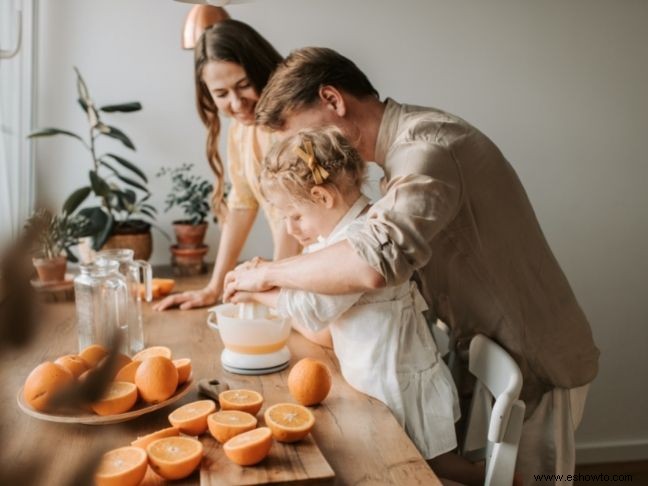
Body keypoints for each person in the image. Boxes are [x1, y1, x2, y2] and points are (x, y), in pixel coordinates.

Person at [224, 47, 599, 483]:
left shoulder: (427, 151)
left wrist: (267, 273)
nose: (306, 152)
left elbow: (372, 262)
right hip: (490, 347)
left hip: (538, 356)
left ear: (332, 100)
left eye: (301, 134)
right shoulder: (398, 159)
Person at [231, 126, 486, 485]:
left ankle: (506, 480)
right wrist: (261, 285)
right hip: (376, 381)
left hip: (397, 387)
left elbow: (310, 309)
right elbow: (322, 329)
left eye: (294, 216)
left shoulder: (355, 241)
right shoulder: (335, 239)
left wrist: (256, 289)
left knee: (426, 470)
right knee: (414, 468)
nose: (290, 229)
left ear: (322, 197)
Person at [153, 20, 299, 311]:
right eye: (221, 94)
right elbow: (242, 205)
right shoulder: (240, 129)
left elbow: (293, 211)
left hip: (313, 275)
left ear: (263, 70)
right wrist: (214, 288)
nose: (236, 103)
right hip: (291, 277)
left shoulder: (292, 122)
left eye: (244, 85)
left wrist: (281, 284)